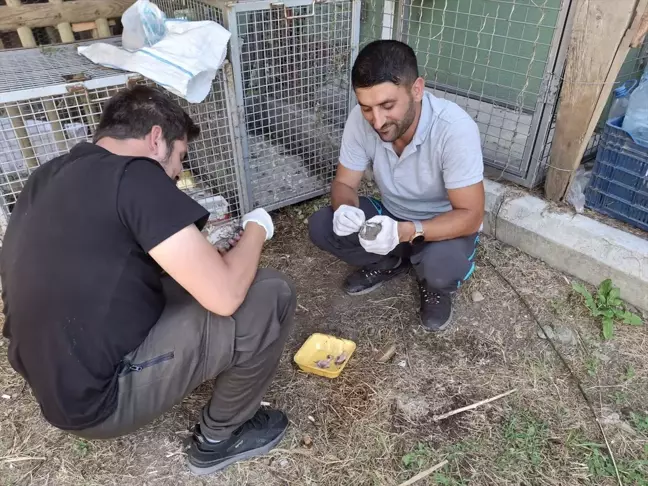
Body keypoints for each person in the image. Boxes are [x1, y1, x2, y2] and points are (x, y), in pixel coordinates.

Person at [0, 86, 296, 476]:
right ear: (157, 139)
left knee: (198, 283)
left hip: (54, 382)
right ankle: (220, 438)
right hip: (99, 401)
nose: (176, 175)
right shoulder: (137, 173)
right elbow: (224, 296)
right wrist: (258, 227)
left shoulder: (47, 174)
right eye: (180, 159)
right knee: (269, 293)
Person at [309, 40, 484, 332]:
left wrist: (407, 231)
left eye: (387, 106)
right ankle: (393, 260)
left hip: (443, 226)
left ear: (416, 90)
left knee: (441, 268)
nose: (376, 121)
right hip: (392, 213)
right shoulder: (360, 121)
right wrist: (345, 209)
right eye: (366, 108)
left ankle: (432, 282)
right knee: (322, 225)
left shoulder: (453, 128)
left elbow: (471, 215)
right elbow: (344, 183)